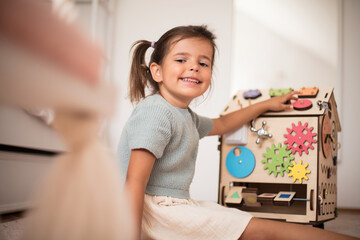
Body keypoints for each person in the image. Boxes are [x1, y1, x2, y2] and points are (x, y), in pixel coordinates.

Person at [118, 25, 358, 240]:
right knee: (261, 230)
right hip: (152, 209)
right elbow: (135, 181)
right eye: (181, 60)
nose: (194, 66)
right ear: (157, 72)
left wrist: (265, 104)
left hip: (170, 205)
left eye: (203, 63)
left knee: (239, 221)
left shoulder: (184, 116)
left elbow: (223, 124)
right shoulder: (156, 113)